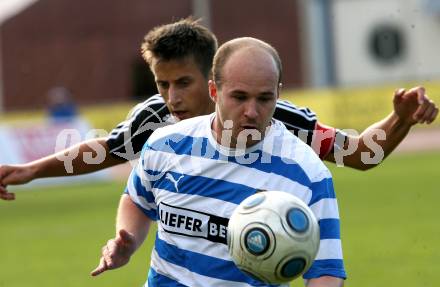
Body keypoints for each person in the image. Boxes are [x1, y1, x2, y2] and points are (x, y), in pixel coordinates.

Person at [0, 18, 438, 200]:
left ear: (213, 81)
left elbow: (359, 154)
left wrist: (400, 116)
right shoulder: (154, 117)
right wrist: (30, 170)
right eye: (162, 83)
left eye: (183, 84)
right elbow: (102, 150)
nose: (171, 97)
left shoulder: (272, 116)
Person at [91, 37, 345, 287]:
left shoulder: (308, 173)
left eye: (265, 99)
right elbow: (137, 199)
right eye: (239, 97)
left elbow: (326, 272)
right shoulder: (166, 144)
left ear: (278, 92)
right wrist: (128, 241)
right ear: (214, 91)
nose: (252, 112)